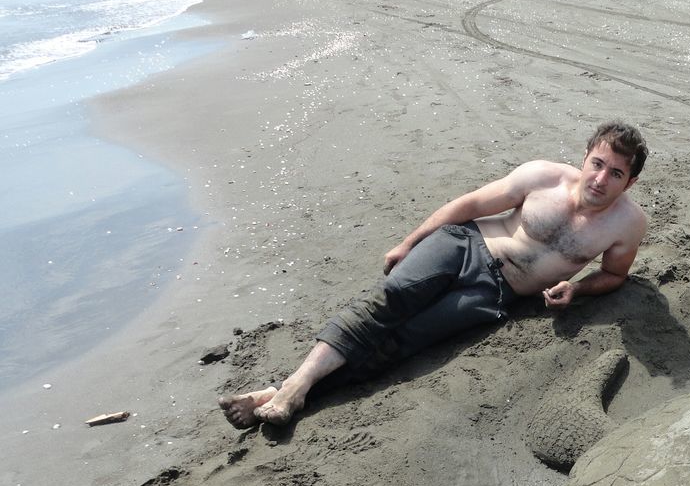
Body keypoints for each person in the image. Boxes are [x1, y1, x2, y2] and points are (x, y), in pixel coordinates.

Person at [219, 121, 648, 428]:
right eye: (597, 163)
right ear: (585, 156)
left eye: (615, 173)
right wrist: (409, 242)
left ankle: (275, 394)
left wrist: (575, 288)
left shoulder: (627, 225)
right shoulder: (544, 177)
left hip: (496, 293)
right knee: (390, 300)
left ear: (628, 183)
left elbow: (614, 275)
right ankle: (295, 387)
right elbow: (468, 206)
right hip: (464, 245)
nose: (600, 179)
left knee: (403, 343)